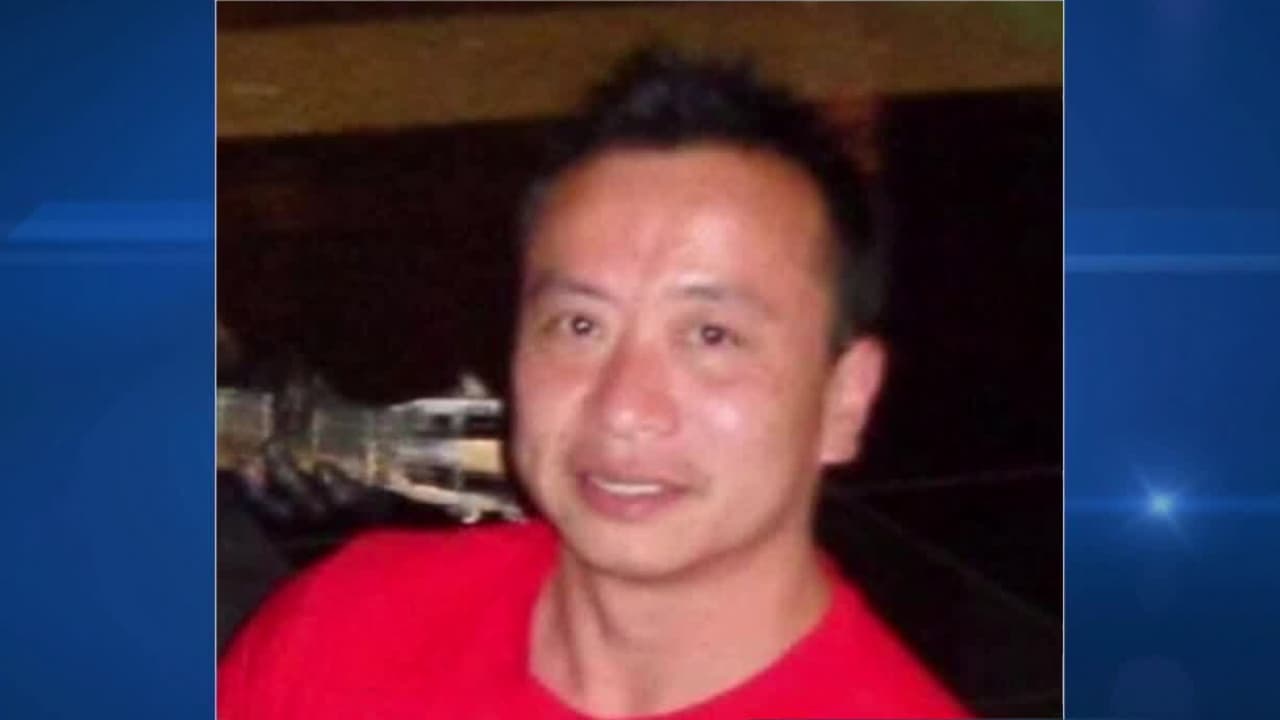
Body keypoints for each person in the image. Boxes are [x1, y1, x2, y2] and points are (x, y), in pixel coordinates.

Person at [218, 48, 970, 719]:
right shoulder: (346, 631)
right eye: (580, 325)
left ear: (845, 400)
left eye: (711, 337)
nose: (623, 408)